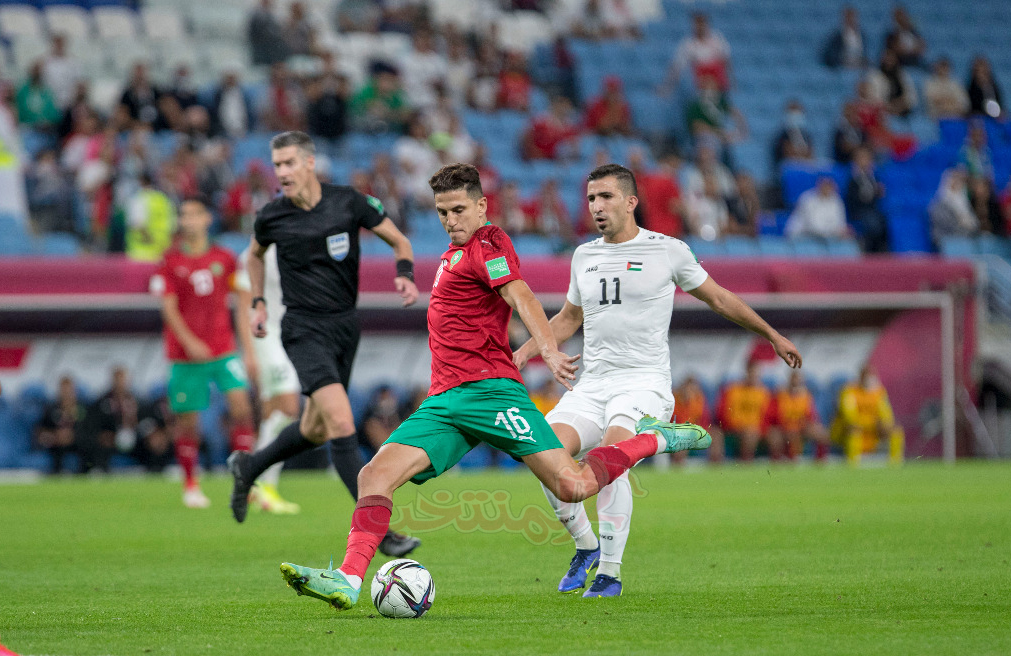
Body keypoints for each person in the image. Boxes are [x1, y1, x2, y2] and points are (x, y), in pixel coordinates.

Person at [276, 163, 777, 611]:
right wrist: (532, 349)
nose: (450, 220)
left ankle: (657, 439)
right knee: (373, 477)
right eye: (441, 212)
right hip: (446, 401)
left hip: (492, 394)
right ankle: (347, 580)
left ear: (481, 206)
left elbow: (521, 296)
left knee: (572, 484)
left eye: (458, 210)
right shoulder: (456, 254)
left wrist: (548, 350)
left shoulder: (489, 244)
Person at [509, 163, 802, 598]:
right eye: (591, 198)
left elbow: (719, 298)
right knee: (542, 453)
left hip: (643, 383)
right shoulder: (583, 255)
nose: (596, 206)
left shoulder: (668, 250)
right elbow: (569, 319)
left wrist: (772, 335)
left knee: (609, 458)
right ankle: (586, 546)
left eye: (605, 197)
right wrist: (522, 354)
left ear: (631, 201)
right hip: (593, 383)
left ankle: (610, 573)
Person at [227, 131, 422, 557]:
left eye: (289, 163)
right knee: (340, 422)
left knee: (316, 427)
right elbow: (253, 256)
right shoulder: (272, 216)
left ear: (310, 163)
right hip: (302, 329)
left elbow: (400, 241)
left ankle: (249, 466)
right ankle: (379, 529)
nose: (282, 173)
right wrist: (259, 301)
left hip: (345, 328)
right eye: (277, 165)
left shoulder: (348, 202)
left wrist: (404, 273)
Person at [151, 195, 257, 508]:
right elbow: (168, 309)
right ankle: (190, 483)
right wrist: (189, 341)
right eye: (183, 215)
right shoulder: (170, 262)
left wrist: (248, 350)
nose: (188, 220)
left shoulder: (225, 258)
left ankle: (244, 481)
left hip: (224, 349)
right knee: (188, 423)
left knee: (242, 408)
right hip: (186, 357)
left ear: (207, 219)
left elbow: (242, 303)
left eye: (194, 214)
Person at [235, 243, 303, 515]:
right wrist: (248, 352)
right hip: (265, 336)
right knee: (289, 407)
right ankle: (260, 481)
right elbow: (243, 304)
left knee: (271, 414)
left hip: (290, 337)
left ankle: (257, 485)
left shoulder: (303, 243)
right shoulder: (256, 250)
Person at [831, 364, 903, 465]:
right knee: (854, 430)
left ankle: (895, 464)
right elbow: (850, 417)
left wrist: (883, 424)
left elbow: (886, 415)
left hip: (872, 430)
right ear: (861, 376)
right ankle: (852, 464)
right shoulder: (849, 391)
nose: (870, 379)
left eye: (872, 376)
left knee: (895, 430)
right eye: (867, 375)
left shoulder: (879, 392)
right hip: (848, 431)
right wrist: (872, 422)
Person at [716, 360, 778, 461]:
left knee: (775, 435)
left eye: (757, 374)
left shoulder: (764, 393)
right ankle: (745, 465)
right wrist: (739, 426)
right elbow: (723, 414)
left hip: (757, 430)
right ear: (746, 372)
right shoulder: (733, 390)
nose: (754, 376)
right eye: (752, 373)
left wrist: (758, 428)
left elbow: (770, 417)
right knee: (749, 434)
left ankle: (778, 468)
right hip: (735, 429)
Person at [766, 370, 830, 461]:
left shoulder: (806, 396)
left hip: (801, 427)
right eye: (793, 379)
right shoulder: (780, 395)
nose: (795, 382)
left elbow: (811, 417)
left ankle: (820, 461)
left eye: (798, 380)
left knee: (821, 433)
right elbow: (772, 416)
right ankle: (778, 461)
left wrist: (805, 424)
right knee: (776, 436)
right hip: (783, 427)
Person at [34, 376, 87, 475]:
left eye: (69, 390)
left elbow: (88, 428)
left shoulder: (82, 408)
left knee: (87, 447)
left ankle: (85, 475)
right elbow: (41, 429)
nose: (66, 393)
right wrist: (55, 435)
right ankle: (56, 475)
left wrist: (72, 435)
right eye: (64, 390)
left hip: (77, 442)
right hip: (57, 444)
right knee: (55, 451)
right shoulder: (51, 408)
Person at [846, 147, 888, 253]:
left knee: (884, 221)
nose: (865, 161)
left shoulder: (873, 176)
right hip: (858, 210)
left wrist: (878, 192)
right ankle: (869, 251)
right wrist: (871, 194)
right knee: (872, 223)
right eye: (862, 158)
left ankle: (882, 251)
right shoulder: (852, 177)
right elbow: (853, 197)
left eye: (867, 158)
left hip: (872, 210)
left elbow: (878, 194)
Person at [785, 176, 849, 241]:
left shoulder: (837, 201)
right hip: (800, 236)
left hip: (826, 238)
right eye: (825, 186)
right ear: (819, 186)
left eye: (829, 186)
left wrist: (841, 230)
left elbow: (841, 223)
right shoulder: (807, 199)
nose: (827, 189)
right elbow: (812, 226)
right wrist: (835, 231)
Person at [821, 5, 867, 69]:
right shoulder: (836, 37)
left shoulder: (862, 36)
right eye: (848, 18)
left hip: (859, 64)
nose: (851, 20)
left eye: (852, 17)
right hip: (843, 65)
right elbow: (830, 55)